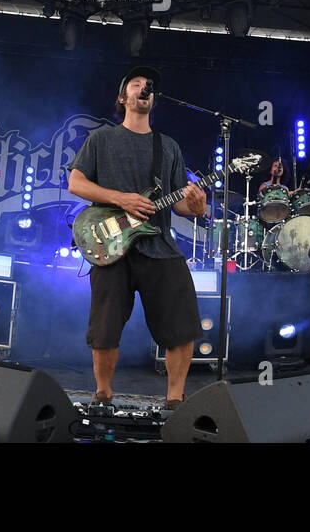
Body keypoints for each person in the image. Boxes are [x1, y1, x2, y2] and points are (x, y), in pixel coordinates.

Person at [68, 67, 208, 410]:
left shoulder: (168, 146)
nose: (144, 88)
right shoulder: (101, 140)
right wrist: (121, 198)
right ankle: (103, 394)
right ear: (123, 97)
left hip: (159, 245)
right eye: (136, 84)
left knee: (182, 323)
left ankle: (175, 399)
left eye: (148, 87)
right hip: (111, 246)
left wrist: (197, 208)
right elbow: (76, 183)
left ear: (153, 99)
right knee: (104, 326)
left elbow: (178, 205)